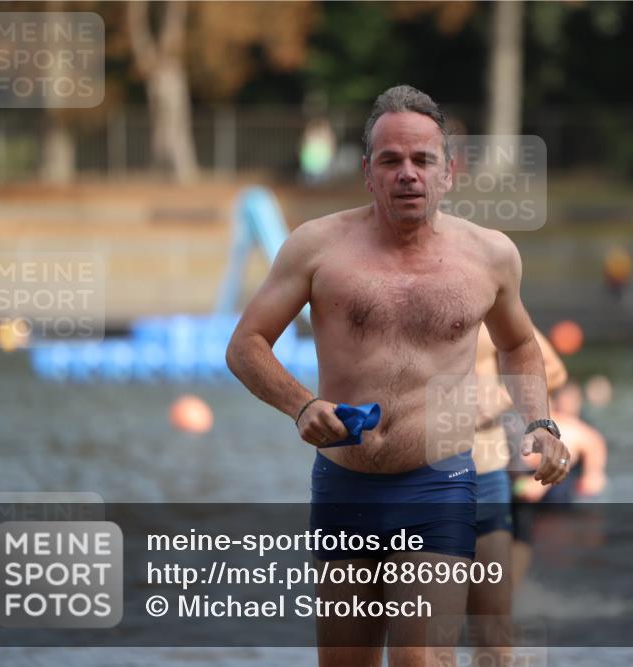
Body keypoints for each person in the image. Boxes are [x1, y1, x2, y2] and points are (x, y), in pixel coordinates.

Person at [226, 85, 571, 667]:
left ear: (448, 172)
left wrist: (539, 422)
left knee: (421, 660)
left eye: (422, 160)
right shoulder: (316, 247)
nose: (407, 173)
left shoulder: (489, 255)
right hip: (344, 485)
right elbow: (245, 345)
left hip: (439, 484)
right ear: (368, 173)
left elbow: (519, 345)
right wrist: (301, 405)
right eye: (390, 160)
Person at [467, 324, 567, 663]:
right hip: (409, 475)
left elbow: (553, 369)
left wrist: (494, 401)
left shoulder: (487, 301)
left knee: (493, 621)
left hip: (487, 468)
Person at [511, 382, 608, 588]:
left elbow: (594, 481)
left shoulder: (583, 434)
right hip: (526, 489)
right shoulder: (529, 426)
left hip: (554, 497)